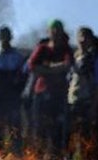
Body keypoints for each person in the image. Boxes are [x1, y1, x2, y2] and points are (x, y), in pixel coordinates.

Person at [27, 19, 72, 156]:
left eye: (58, 29)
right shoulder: (42, 47)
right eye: (53, 29)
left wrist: (45, 68)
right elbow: (32, 66)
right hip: (41, 92)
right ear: (49, 31)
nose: (56, 32)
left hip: (58, 94)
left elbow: (67, 65)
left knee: (57, 131)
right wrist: (55, 69)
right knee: (39, 129)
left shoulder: (66, 49)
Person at [66, 27, 98, 159]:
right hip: (72, 102)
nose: (82, 40)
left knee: (87, 141)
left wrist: (93, 107)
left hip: (87, 103)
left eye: (86, 37)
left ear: (91, 40)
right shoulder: (75, 57)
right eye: (80, 36)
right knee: (70, 138)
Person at [0, 26, 25, 152]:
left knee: (14, 127)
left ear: (11, 37)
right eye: (2, 36)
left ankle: (17, 154)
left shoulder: (18, 57)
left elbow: (23, 77)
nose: (4, 39)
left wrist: (20, 90)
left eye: (6, 36)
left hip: (13, 97)